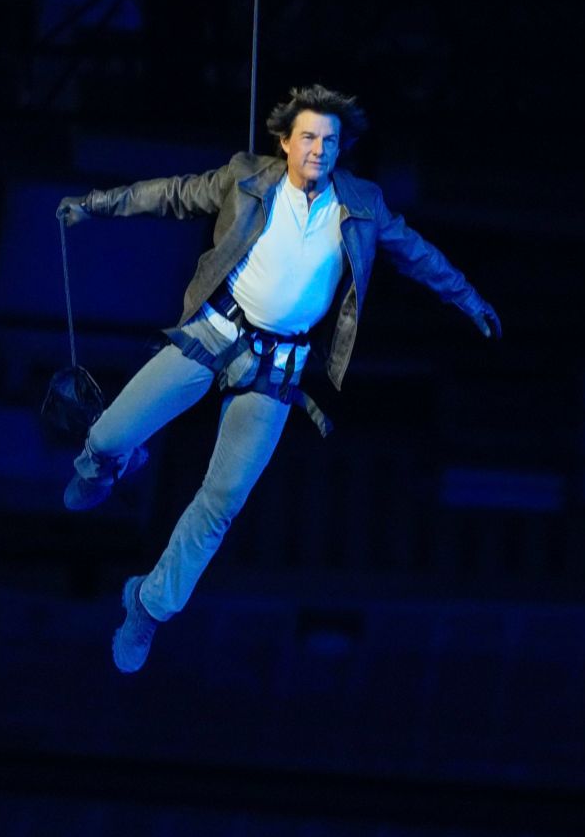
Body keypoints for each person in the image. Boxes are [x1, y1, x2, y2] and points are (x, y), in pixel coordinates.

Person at [56, 84, 501, 673]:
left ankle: (147, 605)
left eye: (330, 141)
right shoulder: (246, 179)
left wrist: (466, 296)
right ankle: (103, 468)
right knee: (110, 435)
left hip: (277, 368)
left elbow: (415, 253)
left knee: (221, 503)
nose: (319, 149)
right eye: (309, 137)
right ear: (286, 142)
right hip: (215, 333)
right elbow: (171, 195)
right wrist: (95, 204)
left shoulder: (360, 203)